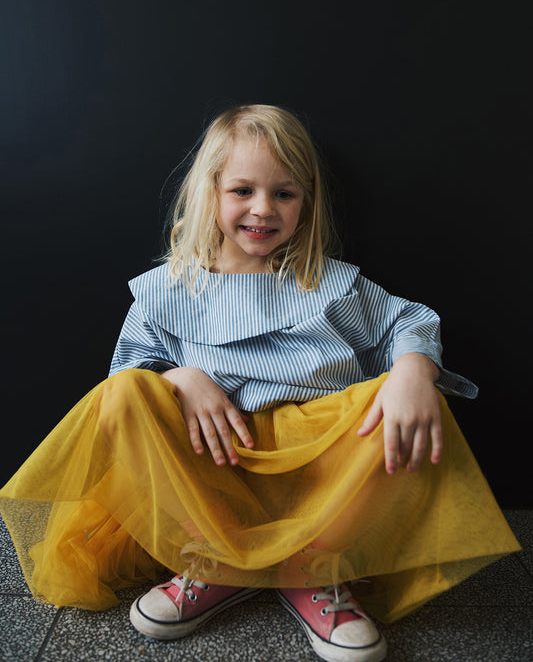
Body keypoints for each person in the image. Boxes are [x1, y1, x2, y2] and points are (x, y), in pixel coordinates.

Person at [0, 105, 519, 662]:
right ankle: (219, 560)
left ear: (307, 203)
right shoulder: (166, 292)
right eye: (243, 190)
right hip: (215, 474)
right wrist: (179, 377)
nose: (262, 209)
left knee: (410, 398)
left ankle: (311, 567)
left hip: (316, 479)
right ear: (212, 193)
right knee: (124, 395)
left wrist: (414, 371)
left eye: (284, 194)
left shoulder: (331, 286)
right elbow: (125, 378)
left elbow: (409, 321)